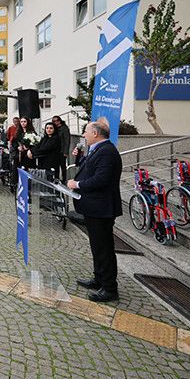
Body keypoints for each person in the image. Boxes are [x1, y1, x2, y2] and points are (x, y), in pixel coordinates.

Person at [68, 118, 122, 303]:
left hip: (102, 208)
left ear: (95, 133)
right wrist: (78, 158)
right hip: (94, 208)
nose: (84, 135)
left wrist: (77, 184)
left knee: (104, 249)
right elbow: (88, 169)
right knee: (97, 247)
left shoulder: (107, 151)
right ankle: (99, 279)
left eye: (86, 131)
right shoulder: (98, 149)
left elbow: (101, 179)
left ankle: (109, 288)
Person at [52, 116, 71, 182]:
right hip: (55, 150)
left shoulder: (64, 128)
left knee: (63, 166)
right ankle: (56, 178)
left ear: (59, 121)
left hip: (62, 150)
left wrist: (66, 152)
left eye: (56, 121)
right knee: (55, 166)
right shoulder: (54, 128)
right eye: (53, 121)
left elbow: (67, 140)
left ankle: (64, 179)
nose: (54, 122)